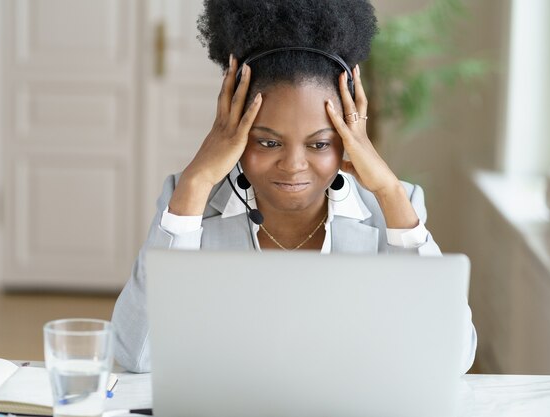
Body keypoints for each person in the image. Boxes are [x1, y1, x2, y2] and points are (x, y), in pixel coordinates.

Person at [112, 0, 476, 373]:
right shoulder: (192, 201)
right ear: (233, 130)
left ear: (348, 136)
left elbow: (451, 358)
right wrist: (198, 179)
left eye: (319, 144)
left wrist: (389, 192)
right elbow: (137, 355)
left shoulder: (392, 207)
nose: (293, 165)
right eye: (268, 142)